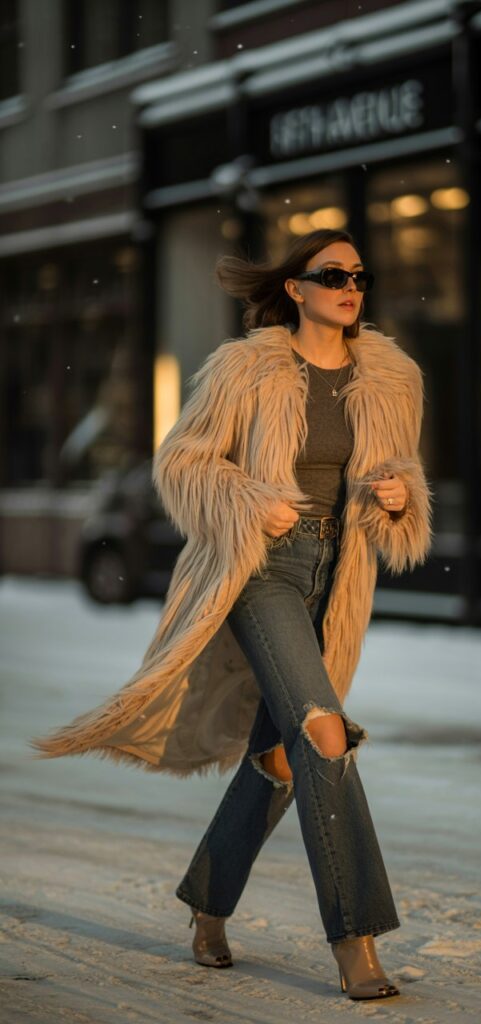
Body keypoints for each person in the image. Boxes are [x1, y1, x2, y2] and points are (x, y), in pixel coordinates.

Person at [28, 227, 434, 1001]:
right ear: (296, 288)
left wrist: (399, 495)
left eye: (359, 276)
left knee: (282, 758)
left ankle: (208, 904)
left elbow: (402, 476)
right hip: (259, 568)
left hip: (337, 576)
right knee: (323, 733)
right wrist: (250, 500)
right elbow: (181, 460)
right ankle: (357, 941)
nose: (351, 287)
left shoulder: (391, 376)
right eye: (333, 275)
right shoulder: (245, 368)